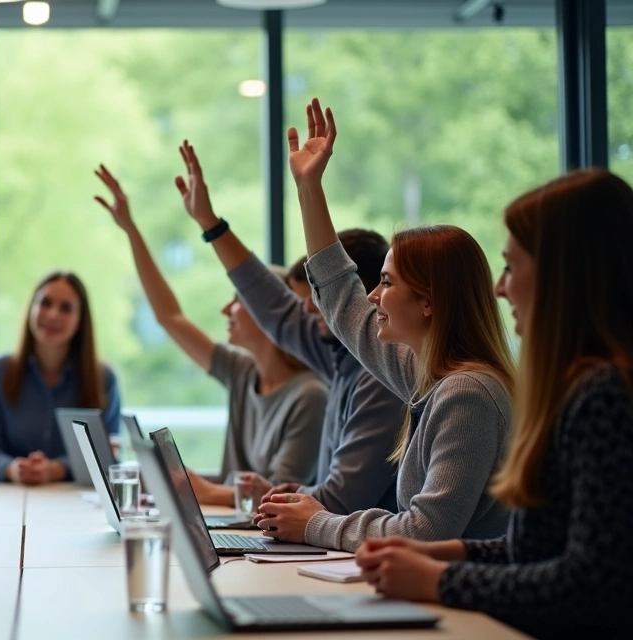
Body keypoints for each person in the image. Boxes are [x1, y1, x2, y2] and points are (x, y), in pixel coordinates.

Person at [355, 169, 633, 638]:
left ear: (561, 275)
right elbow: (543, 548)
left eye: (511, 266)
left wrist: (440, 578)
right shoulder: (582, 387)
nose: (501, 288)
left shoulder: (603, 396)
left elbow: (593, 584)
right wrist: (450, 555)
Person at [254, 99, 515, 552]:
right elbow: (340, 297)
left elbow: (426, 531)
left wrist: (317, 523)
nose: (373, 296)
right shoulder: (425, 375)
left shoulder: (466, 392)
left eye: (387, 283)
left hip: (466, 612)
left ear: (428, 303)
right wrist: (308, 187)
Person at [174, 141, 406, 516]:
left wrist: (279, 498)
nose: (309, 308)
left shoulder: (378, 376)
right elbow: (269, 301)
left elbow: (340, 501)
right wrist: (210, 224)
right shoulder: (337, 357)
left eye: (319, 294)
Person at [93, 166, 326, 507]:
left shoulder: (310, 395)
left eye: (238, 301)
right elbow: (169, 318)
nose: (225, 310)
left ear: (268, 314)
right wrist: (131, 232)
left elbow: (278, 495)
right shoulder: (242, 371)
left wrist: (195, 489)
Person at [0, 272, 122, 485]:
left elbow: (109, 454)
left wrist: (57, 469)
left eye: (66, 308)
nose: (52, 315)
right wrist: (13, 468)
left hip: (75, 504)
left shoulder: (103, 379)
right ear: (32, 309)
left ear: (80, 322)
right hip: (10, 500)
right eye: (45, 303)